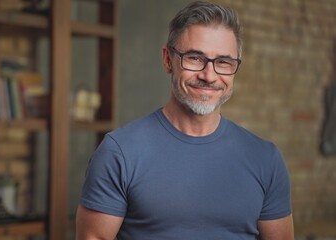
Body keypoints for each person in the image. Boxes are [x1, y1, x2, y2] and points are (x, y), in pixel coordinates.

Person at [76, 1, 294, 239]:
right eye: (194, 58)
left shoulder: (265, 158)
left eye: (223, 62)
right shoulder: (119, 153)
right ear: (168, 59)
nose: (209, 76)